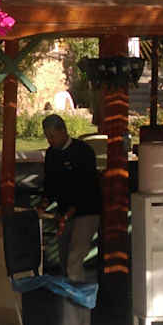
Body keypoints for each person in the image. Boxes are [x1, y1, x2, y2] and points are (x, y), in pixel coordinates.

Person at [40, 114, 101, 280]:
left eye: (52, 136)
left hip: (86, 211)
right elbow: (50, 185)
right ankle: (68, 290)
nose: (50, 141)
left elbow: (87, 188)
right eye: (47, 137)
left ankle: (75, 294)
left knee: (74, 258)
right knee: (64, 258)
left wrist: (67, 215)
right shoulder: (51, 154)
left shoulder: (83, 152)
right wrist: (43, 204)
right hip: (64, 212)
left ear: (63, 131)